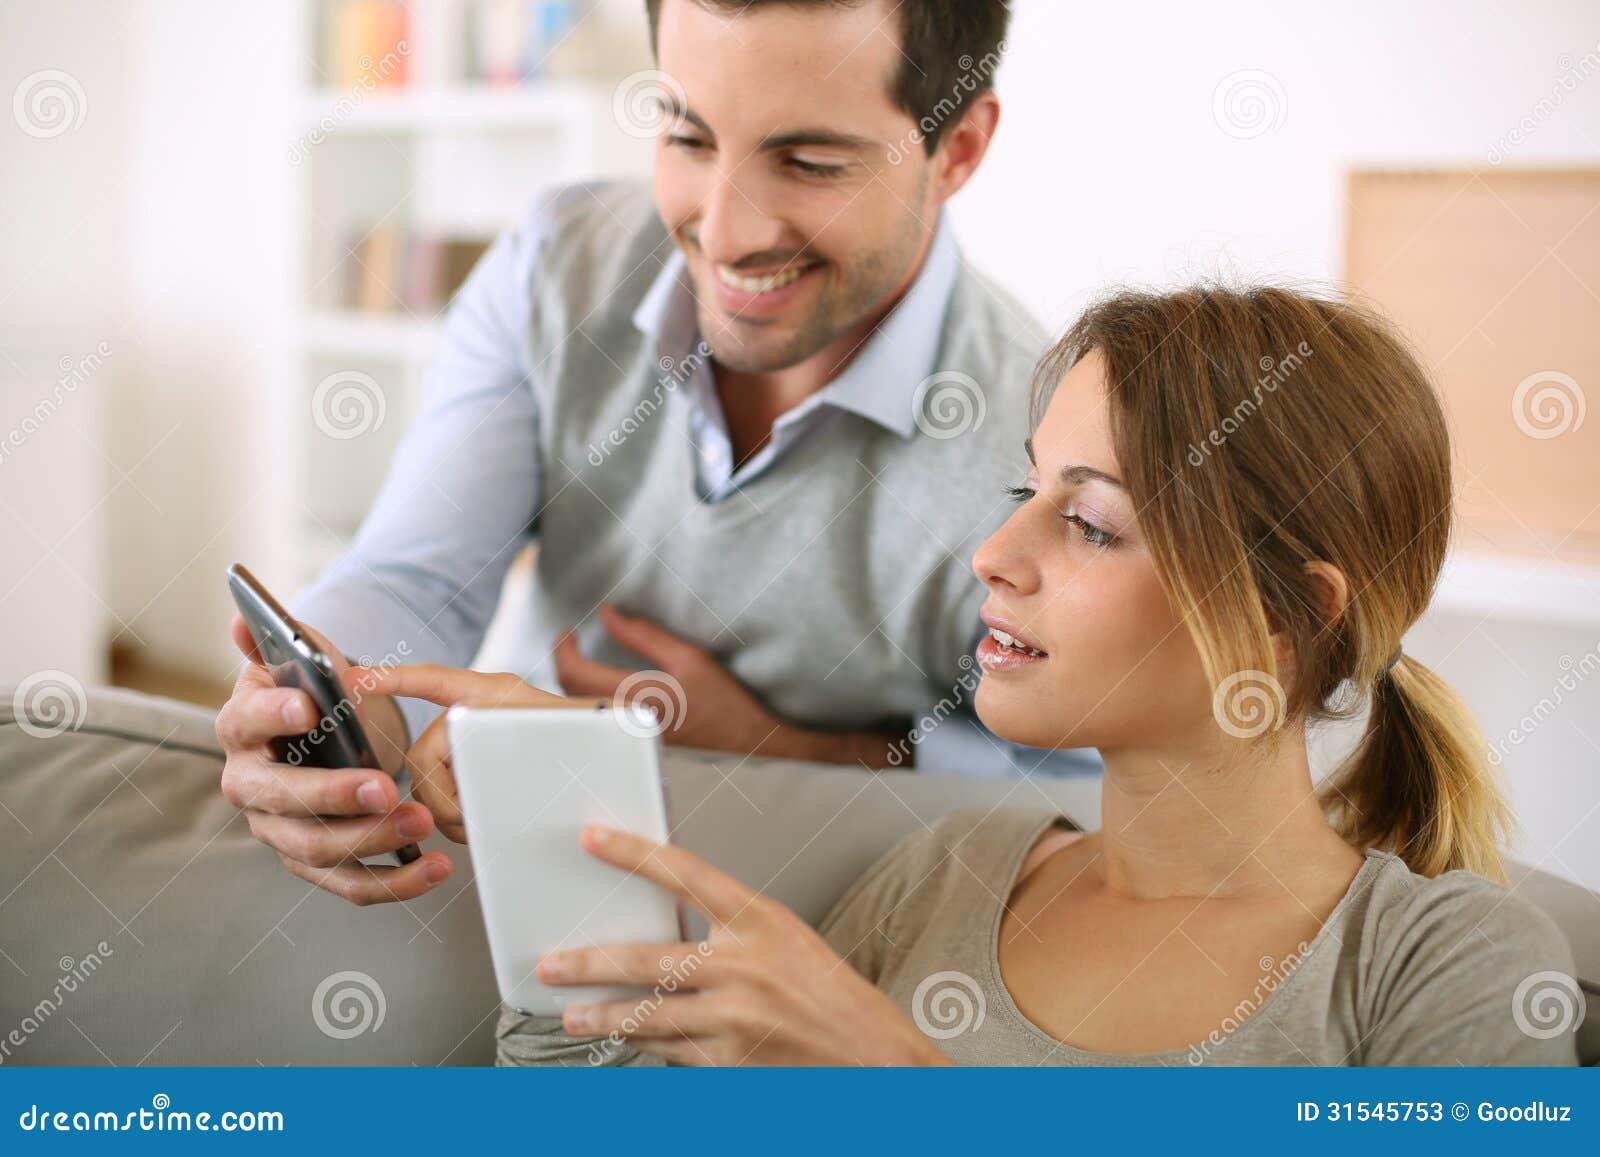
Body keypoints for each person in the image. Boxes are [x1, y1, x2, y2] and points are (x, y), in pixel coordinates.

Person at [351, 285, 1578, 1066]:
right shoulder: (947, 878)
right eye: (1020, 495)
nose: (994, 556)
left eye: (1090, 523)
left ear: (1287, 618)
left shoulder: (1447, 967)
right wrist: (549, 805)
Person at [216, 0, 1097, 908]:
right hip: (522, 857)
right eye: (688, 137)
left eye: (808, 162)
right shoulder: (555, 266)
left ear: (957, 147)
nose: (724, 231)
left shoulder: (1049, 441)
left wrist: (782, 747)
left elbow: (1078, 795)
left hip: (826, 908)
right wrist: (342, 701)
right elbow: (416, 580)